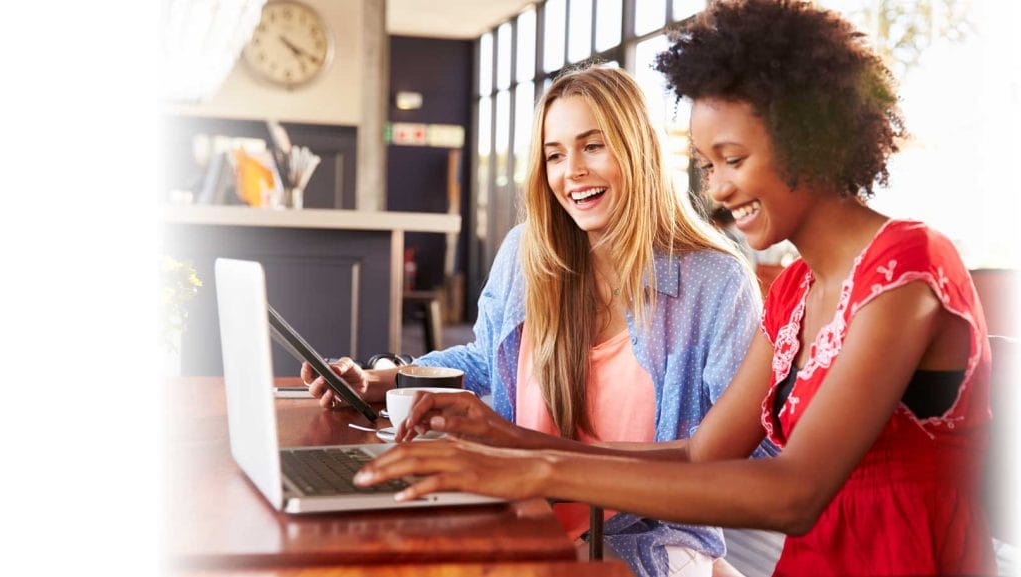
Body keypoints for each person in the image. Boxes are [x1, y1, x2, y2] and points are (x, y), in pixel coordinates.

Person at [351, 2, 997, 575]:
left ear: (812, 140)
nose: (716, 189)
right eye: (707, 165)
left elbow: (794, 492)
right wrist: (513, 440)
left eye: (734, 160)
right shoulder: (797, 288)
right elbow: (700, 451)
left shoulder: (908, 262)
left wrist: (541, 469)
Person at [303, 65, 764, 576]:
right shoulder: (527, 251)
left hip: (643, 539)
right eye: (555, 155)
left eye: (593, 146)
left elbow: (744, 456)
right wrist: (379, 381)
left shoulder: (715, 282)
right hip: (519, 514)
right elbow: (482, 360)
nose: (573, 172)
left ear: (639, 150)